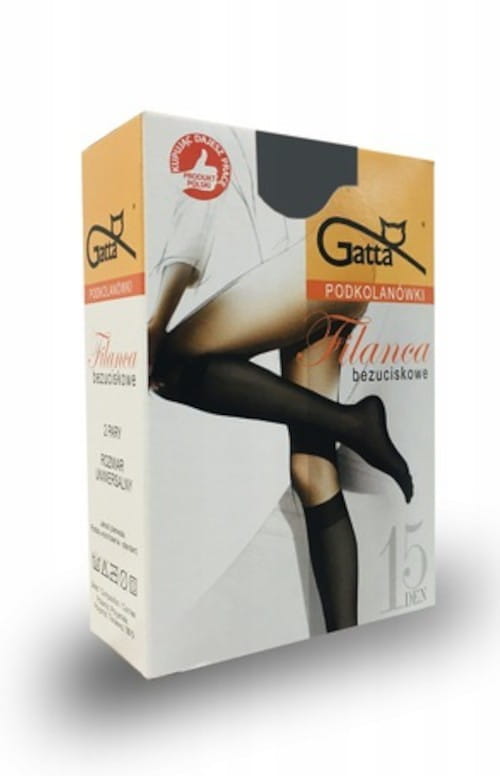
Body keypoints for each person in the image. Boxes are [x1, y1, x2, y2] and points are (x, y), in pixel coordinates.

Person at [147, 123, 412, 632]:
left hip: (327, 244)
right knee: (312, 474)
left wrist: (159, 320)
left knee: (171, 364)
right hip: (344, 244)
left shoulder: (219, 128)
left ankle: (357, 424)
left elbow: (194, 220)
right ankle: (344, 638)